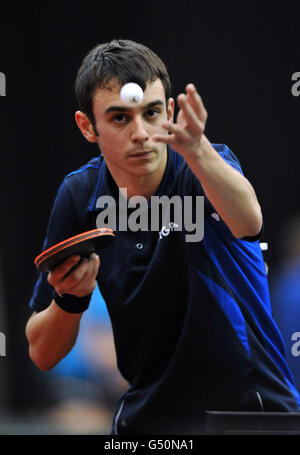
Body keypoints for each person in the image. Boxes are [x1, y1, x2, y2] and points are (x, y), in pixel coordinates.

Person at [26, 39, 300, 435]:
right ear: (88, 127)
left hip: (249, 412)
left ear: (169, 112)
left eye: (151, 113)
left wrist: (198, 152)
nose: (140, 133)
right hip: (150, 420)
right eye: (120, 118)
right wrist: (70, 300)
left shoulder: (203, 166)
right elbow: (41, 352)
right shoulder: (80, 196)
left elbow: (249, 221)